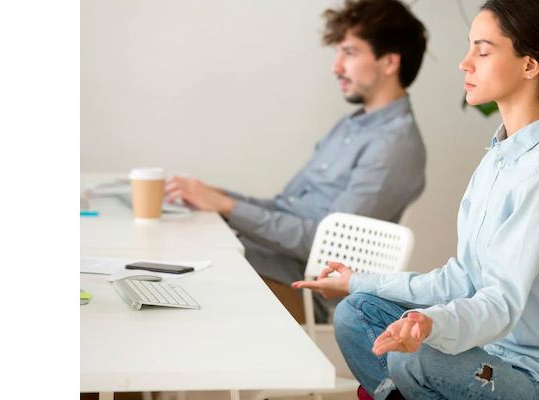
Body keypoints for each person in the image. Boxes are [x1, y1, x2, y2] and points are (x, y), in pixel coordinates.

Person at [291, 0, 539, 398]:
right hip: (490, 352)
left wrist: (431, 325)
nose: (465, 63)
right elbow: (461, 278)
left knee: (415, 357)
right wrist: (357, 280)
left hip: (538, 378)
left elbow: (500, 303)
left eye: (483, 51)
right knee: (355, 312)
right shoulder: (501, 157)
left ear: (530, 65)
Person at [165, 0, 429, 322]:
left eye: (349, 53)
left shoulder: (395, 146)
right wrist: (214, 197)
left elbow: (331, 247)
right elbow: (285, 207)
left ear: (389, 62)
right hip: (268, 262)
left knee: (186, 285)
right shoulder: (351, 126)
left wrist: (227, 207)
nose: (336, 67)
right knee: (170, 255)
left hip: (303, 291)